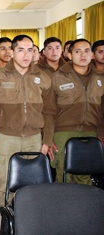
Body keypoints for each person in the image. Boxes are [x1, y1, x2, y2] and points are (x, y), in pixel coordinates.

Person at [0, 35, 55, 233]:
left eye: (30, 50)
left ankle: (28, 224)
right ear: (12, 52)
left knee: (34, 185)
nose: (26, 54)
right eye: (21, 50)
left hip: (35, 139)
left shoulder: (43, 78)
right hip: (6, 139)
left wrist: (47, 140)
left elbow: (50, 112)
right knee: (5, 183)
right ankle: (8, 225)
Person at [51, 38, 104, 184]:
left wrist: (101, 133)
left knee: (85, 174)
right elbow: (49, 110)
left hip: (91, 133)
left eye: (87, 51)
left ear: (92, 55)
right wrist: (48, 137)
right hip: (63, 133)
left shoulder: (100, 78)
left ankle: (83, 206)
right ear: (69, 55)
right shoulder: (58, 77)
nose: (83, 55)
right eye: (77, 51)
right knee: (63, 174)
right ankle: (63, 206)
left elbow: (101, 111)